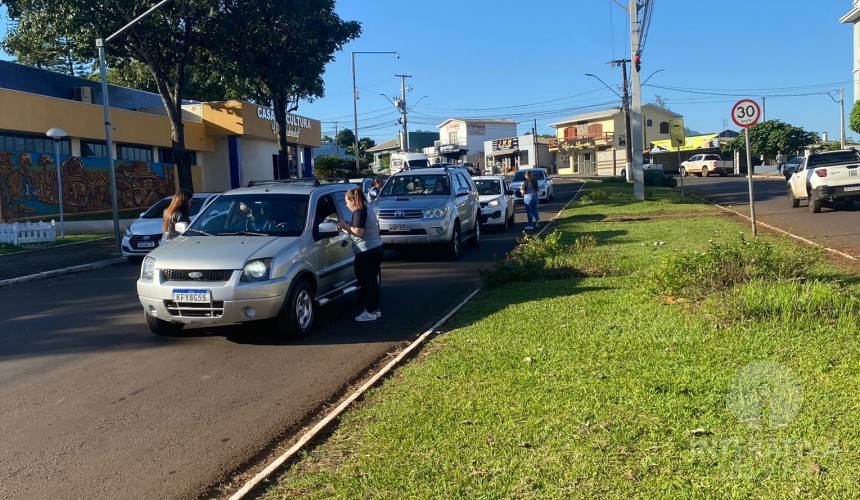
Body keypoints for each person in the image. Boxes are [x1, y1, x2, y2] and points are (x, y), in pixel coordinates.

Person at [337, 187, 384, 322]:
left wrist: (343, 226)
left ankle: (369, 311)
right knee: (373, 281)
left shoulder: (359, 211)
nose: (346, 205)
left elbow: (358, 232)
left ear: (353, 200)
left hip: (366, 251)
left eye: (347, 202)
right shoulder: (368, 208)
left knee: (365, 282)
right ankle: (375, 309)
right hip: (377, 247)